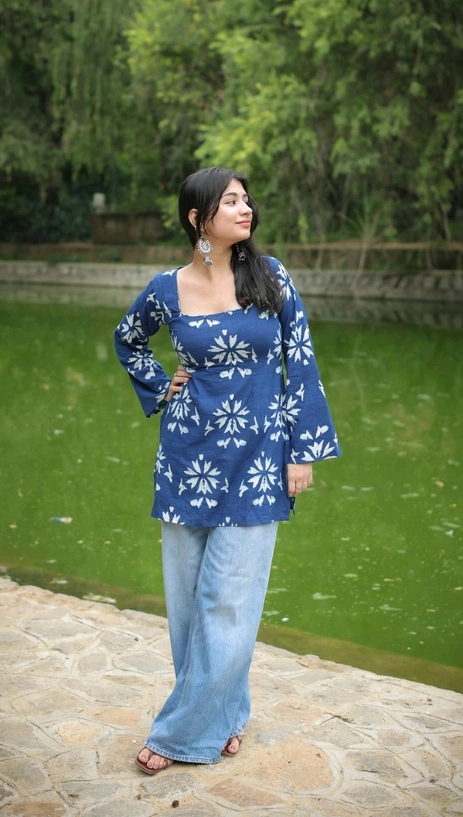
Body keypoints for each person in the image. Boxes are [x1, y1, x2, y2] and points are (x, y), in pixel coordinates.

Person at [113, 166, 341, 775]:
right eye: (231, 201)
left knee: (228, 602)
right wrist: (161, 387)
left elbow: (301, 361)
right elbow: (128, 339)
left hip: (260, 461)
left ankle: (180, 735)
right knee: (189, 603)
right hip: (187, 459)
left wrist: (302, 449)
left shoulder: (270, 277)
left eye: (247, 200)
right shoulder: (166, 289)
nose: (246, 209)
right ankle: (225, 715)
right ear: (198, 218)